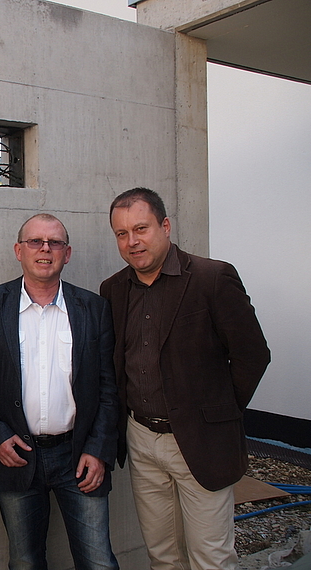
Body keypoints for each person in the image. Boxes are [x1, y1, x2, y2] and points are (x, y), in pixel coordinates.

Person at [100, 187, 271, 570]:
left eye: (141, 228)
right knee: (162, 555)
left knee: (210, 557)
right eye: (122, 233)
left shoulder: (212, 278)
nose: (132, 241)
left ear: (165, 226)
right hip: (141, 440)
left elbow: (253, 355)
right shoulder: (113, 290)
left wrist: (218, 413)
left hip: (200, 439)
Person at [0, 213, 120, 570]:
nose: (45, 249)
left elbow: (110, 387)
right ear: (18, 250)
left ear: (67, 253)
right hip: (16, 455)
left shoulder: (94, 308)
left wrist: (99, 450)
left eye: (55, 242)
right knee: (25, 562)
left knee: (99, 562)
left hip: (79, 457)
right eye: (35, 241)